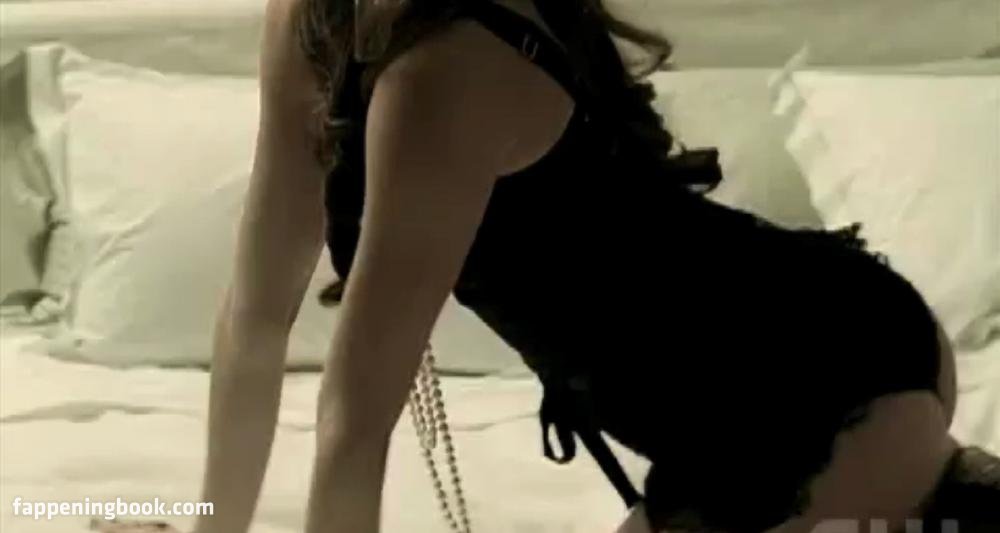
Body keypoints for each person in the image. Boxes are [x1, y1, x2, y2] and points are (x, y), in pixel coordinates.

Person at [97, 1, 1000, 532]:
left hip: (826, 380)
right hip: (722, 397)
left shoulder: (449, 70)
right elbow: (257, 312)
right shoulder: (314, 18)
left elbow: (353, 416)